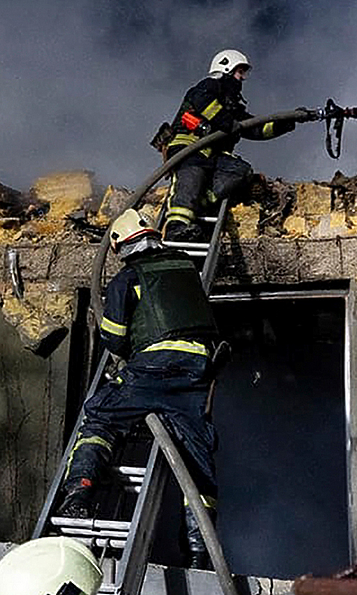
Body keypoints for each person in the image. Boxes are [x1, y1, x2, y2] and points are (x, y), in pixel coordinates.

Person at [57, 208, 222, 569]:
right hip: (195, 375)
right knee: (197, 458)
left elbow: (114, 340)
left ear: (120, 246)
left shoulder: (126, 278)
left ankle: (80, 492)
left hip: (151, 372)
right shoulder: (186, 268)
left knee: (100, 417)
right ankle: (199, 552)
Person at [162, 48, 297, 242]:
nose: (242, 78)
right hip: (190, 147)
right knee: (191, 178)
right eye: (239, 72)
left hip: (214, 154)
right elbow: (203, 102)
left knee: (240, 170)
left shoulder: (232, 105)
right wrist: (226, 122)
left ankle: (201, 201)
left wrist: (287, 122)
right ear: (226, 68)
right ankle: (177, 227)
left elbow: (254, 129)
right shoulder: (209, 86)